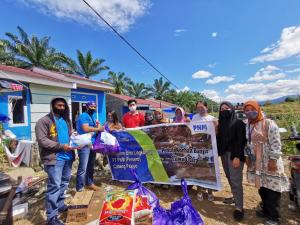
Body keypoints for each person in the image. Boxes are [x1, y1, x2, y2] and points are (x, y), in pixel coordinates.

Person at [243, 100, 289, 225]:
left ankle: (274, 217)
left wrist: (273, 160)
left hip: (269, 161)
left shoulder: (269, 123)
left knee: (273, 189)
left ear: (258, 109)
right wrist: (247, 156)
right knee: (262, 187)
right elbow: (247, 143)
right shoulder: (248, 124)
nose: (249, 112)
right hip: (257, 162)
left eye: (251, 109)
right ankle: (265, 210)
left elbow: (276, 143)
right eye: (246, 110)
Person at [35, 97, 74, 225]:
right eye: (59, 105)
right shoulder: (44, 121)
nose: (62, 108)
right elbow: (42, 140)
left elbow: (69, 135)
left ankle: (60, 204)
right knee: (54, 186)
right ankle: (51, 217)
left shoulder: (66, 120)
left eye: (63, 106)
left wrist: (76, 137)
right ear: (52, 106)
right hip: (54, 158)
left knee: (64, 183)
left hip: (68, 157)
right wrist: (61, 146)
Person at [217, 101, 247, 221]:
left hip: (234, 155)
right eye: (222, 108)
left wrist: (237, 157)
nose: (224, 110)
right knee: (229, 177)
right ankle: (235, 197)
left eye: (227, 108)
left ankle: (239, 208)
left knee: (235, 180)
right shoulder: (221, 124)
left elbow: (240, 141)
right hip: (224, 155)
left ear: (232, 109)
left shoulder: (238, 123)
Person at [76, 101, 104, 192]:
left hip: (92, 144)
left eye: (95, 106)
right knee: (83, 167)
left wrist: (98, 125)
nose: (93, 108)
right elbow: (85, 128)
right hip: (84, 144)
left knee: (90, 165)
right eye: (91, 106)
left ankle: (89, 183)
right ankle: (79, 188)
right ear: (87, 107)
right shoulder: (83, 116)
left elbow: (98, 127)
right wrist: (98, 128)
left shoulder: (92, 116)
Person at [192, 100, 217, 201]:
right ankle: (199, 191)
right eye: (198, 108)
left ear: (206, 107)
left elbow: (216, 133)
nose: (200, 109)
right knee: (199, 169)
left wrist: (216, 126)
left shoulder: (212, 119)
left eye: (202, 107)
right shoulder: (194, 117)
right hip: (198, 149)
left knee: (210, 170)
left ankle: (210, 192)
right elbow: (192, 132)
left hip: (209, 149)